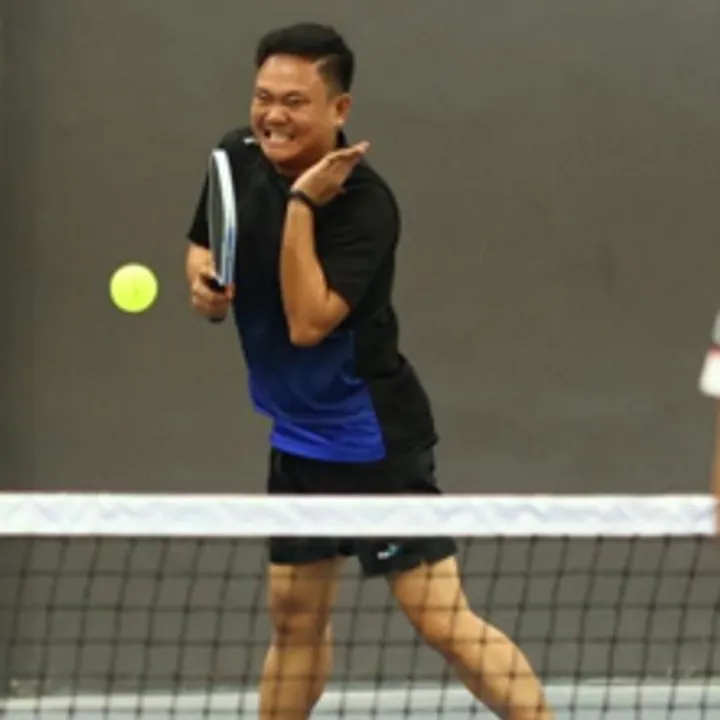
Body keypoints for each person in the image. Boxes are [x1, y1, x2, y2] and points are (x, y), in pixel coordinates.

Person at [185, 21, 555, 720]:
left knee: (442, 621)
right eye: (263, 97)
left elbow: (308, 323)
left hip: (370, 439)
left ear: (339, 108)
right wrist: (203, 284)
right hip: (297, 438)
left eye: (295, 101)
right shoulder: (234, 158)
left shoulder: (364, 204)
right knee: (295, 624)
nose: (272, 115)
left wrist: (301, 205)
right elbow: (204, 244)